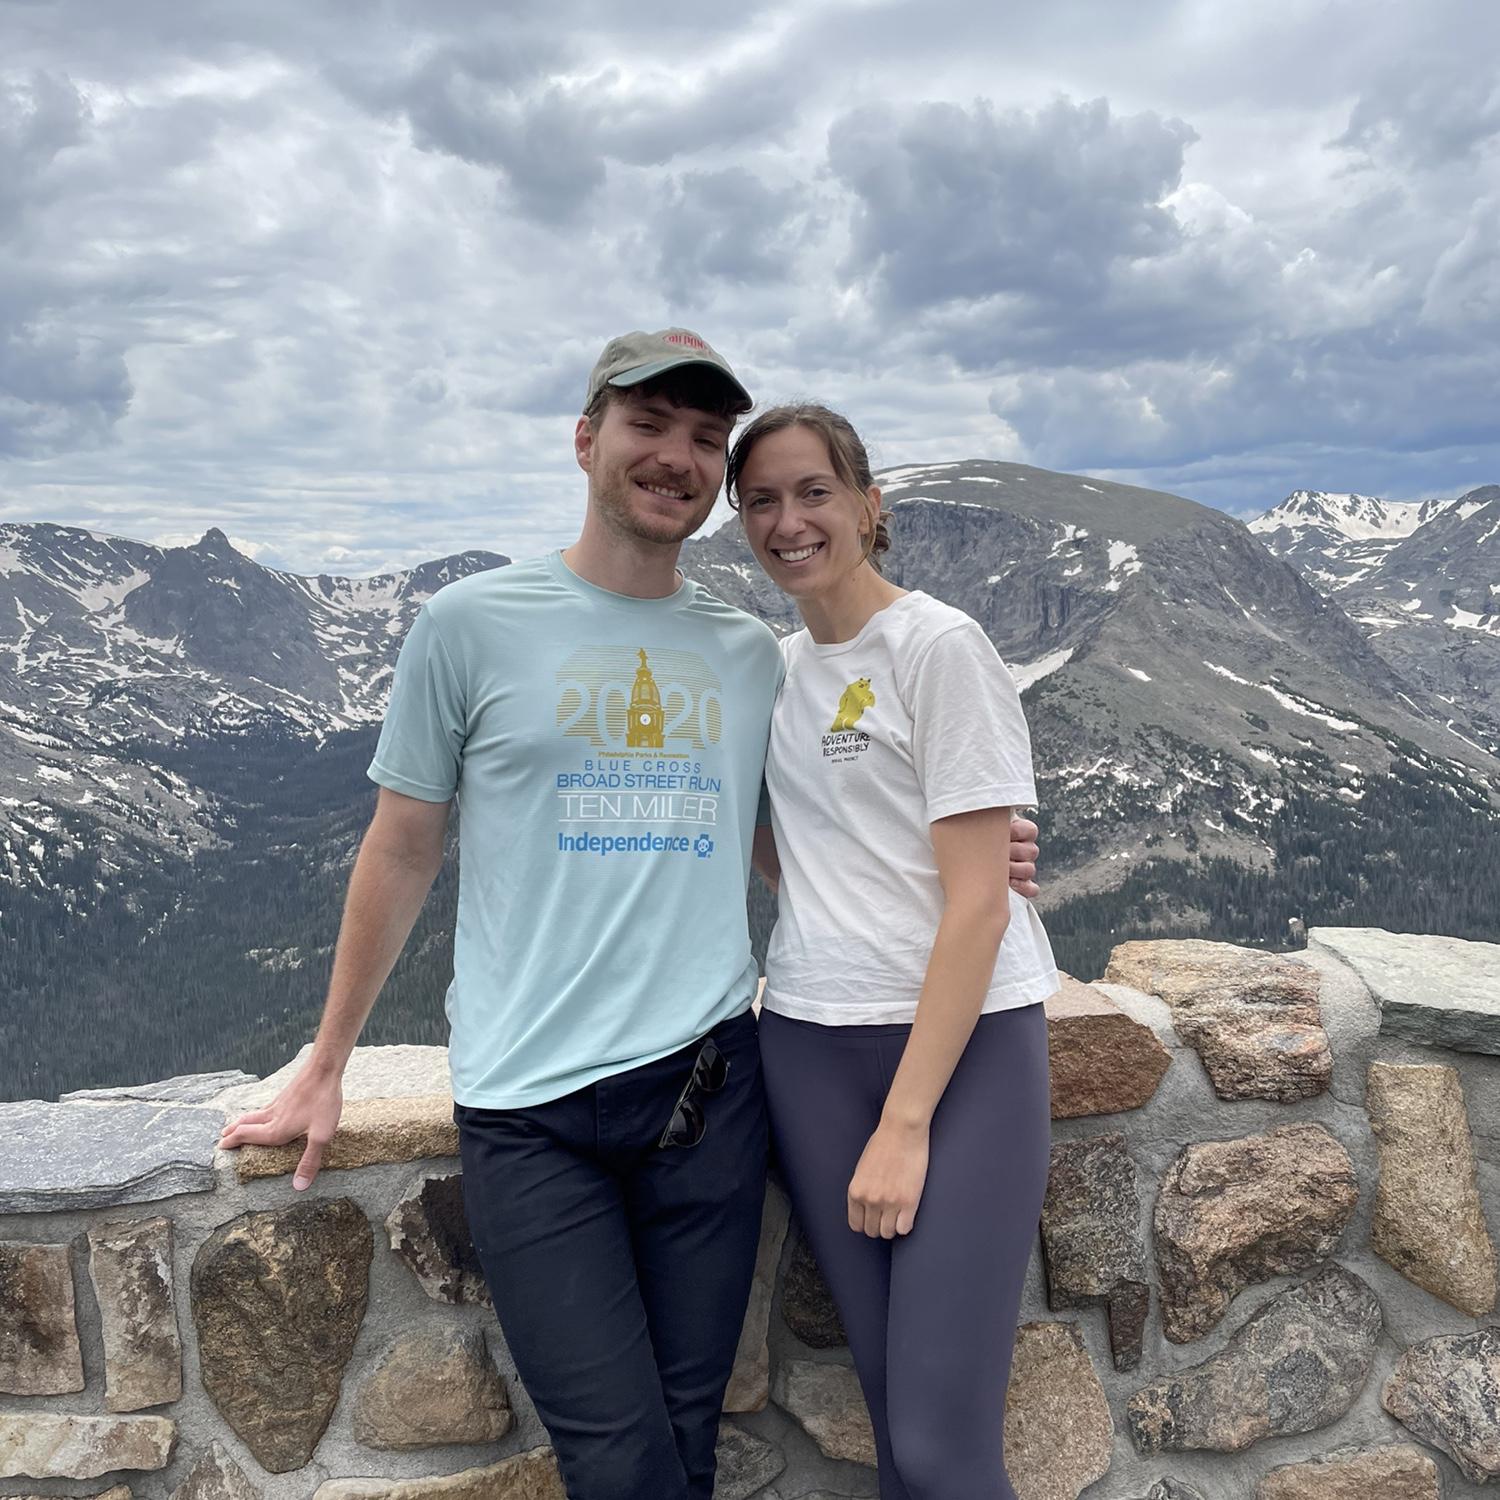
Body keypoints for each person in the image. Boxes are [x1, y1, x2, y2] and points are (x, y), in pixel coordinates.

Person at [218, 332, 1043, 1500]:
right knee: (620, 1455)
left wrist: (961, 853)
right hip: (529, 1102)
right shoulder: (469, 624)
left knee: (702, 1433)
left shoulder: (746, 652)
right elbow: (401, 849)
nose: (680, 457)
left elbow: (794, 815)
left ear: (861, 504)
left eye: (707, 440)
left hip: (705, 1091)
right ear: (586, 440)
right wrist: (327, 1059)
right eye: (650, 426)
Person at [728, 403, 1059, 1500]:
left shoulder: (940, 646)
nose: (788, 521)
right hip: (813, 1044)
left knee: (939, 1442)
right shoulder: (770, 671)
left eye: (813, 492)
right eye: (762, 500)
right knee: (891, 1416)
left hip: (960, 1058)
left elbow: (978, 910)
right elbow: (785, 845)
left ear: (871, 506)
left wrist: (908, 1122)